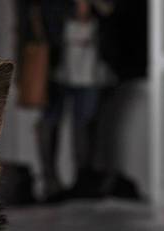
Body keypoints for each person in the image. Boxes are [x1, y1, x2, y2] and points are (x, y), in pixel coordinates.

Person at [35, 0, 113, 200]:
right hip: (54, 57)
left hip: (92, 62)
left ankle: (83, 180)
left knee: (86, 120)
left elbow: (111, 10)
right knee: (50, 118)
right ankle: (50, 180)